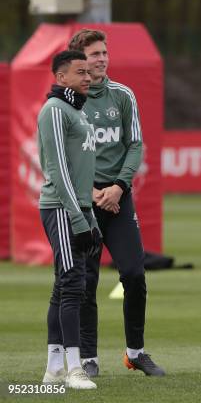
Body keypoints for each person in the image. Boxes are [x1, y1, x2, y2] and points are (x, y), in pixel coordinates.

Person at [68, 29, 165, 377]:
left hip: (118, 199)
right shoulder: (67, 102)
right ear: (80, 60)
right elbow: (61, 154)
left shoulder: (123, 96)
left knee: (134, 274)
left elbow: (135, 144)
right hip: (84, 201)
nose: (102, 59)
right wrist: (90, 192)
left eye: (104, 52)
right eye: (94, 54)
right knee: (85, 282)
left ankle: (135, 352)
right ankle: (88, 358)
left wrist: (119, 187)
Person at [39, 50, 102, 390]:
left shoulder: (76, 109)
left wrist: (87, 213)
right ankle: (75, 366)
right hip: (62, 209)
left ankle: (53, 369)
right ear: (61, 78)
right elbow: (58, 169)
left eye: (88, 71)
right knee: (74, 283)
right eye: (80, 72)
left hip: (78, 208)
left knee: (64, 285)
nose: (88, 77)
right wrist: (78, 219)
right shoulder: (54, 110)